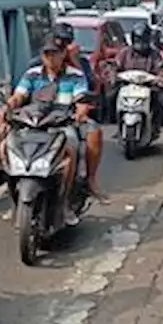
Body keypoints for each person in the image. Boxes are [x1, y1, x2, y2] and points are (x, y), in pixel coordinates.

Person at [0, 36, 92, 225]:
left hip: (62, 126)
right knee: (5, 145)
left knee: (70, 150)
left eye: (55, 53)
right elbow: (19, 96)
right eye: (47, 54)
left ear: (64, 54)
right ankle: (12, 187)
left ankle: (65, 201)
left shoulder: (75, 76)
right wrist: (7, 108)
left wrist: (81, 111)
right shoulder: (32, 74)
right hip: (32, 124)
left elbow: (81, 99)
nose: (51, 58)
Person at [49, 22, 107, 202]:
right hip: (41, 117)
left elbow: (89, 87)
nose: (62, 48)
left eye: (66, 43)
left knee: (94, 133)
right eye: (59, 43)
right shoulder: (38, 66)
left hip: (70, 116)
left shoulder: (80, 64)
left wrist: (74, 62)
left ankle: (90, 179)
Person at [115, 22, 163, 130]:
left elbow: (162, 67)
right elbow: (115, 66)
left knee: (160, 98)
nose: (140, 44)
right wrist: (114, 76)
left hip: (149, 86)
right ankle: (116, 122)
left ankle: (157, 123)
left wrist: (160, 77)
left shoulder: (154, 54)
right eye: (137, 40)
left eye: (143, 41)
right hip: (127, 86)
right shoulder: (125, 53)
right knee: (110, 96)